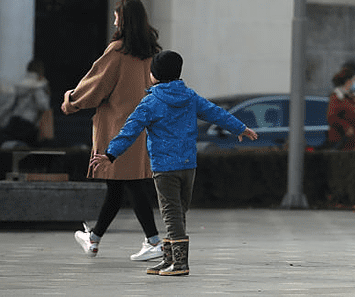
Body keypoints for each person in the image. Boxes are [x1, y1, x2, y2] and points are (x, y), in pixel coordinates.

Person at [90, 50, 258, 276]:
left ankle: (179, 263)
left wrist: (110, 154)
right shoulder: (189, 96)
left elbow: (129, 131)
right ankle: (168, 259)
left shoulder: (150, 102)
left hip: (164, 167)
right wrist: (240, 128)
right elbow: (215, 112)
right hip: (188, 164)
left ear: (155, 75)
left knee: (170, 213)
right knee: (178, 212)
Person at [61, 0, 163, 261]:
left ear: (124, 19)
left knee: (127, 184)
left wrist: (71, 100)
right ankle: (94, 239)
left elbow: (96, 85)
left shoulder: (117, 52)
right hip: (141, 127)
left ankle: (153, 241)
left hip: (117, 127)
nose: (114, 18)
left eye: (117, 15)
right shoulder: (151, 53)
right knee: (121, 185)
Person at [0, 59, 52, 148]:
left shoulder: (20, 83)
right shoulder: (38, 85)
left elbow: (9, 105)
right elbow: (43, 105)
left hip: (14, 120)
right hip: (27, 123)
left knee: (8, 145)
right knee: (31, 150)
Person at [325, 66, 355, 150]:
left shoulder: (354, 98)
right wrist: (346, 127)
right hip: (344, 143)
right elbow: (332, 117)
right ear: (348, 81)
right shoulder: (337, 97)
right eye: (354, 80)